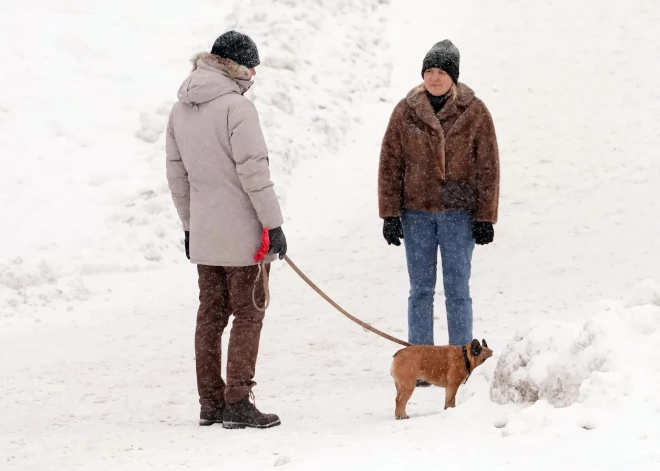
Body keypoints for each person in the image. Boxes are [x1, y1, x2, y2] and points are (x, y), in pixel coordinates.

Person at [166, 30, 286, 429]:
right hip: (244, 239)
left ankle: (210, 403)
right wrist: (274, 224)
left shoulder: (180, 109)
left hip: (204, 234)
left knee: (210, 317)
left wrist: (189, 226)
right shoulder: (237, 108)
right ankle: (238, 400)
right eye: (252, 67)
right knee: (249, 315)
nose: (254, 74)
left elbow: (177, 177)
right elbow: (254, 172)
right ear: (238, 66)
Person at [378, 40, 500, 384]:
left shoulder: (475, 112)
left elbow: (488, 167)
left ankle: (463, 358)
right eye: (429, 71)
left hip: (458, 216)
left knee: (458, 289)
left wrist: (484, 218)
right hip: (415, 215)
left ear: (454, 77)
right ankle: (420, 362)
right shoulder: (406, 111)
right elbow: (390, 164)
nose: (434, 78)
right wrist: (390, 214)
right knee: (420, 289)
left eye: (441, 72)